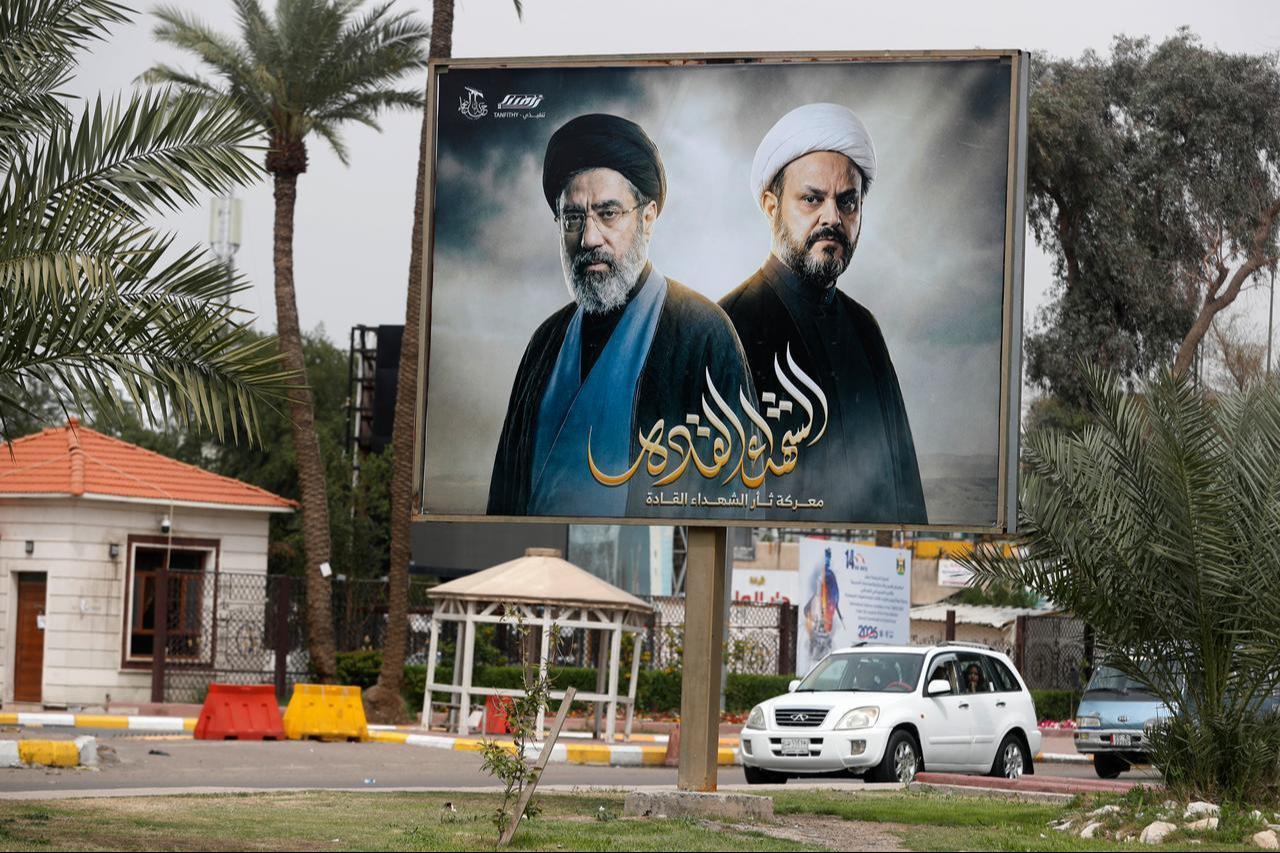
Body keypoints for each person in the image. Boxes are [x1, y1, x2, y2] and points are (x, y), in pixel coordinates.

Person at [487, 113, 754, 518]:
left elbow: (735, 503)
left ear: (647, 219)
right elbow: (504, 500)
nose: (590, 238)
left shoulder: (703, 334)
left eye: (608, 214)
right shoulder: (545, 343)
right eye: (574, 218)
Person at [719, 102, 927, 524]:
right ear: (770, 205)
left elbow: (906, 492)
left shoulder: (865, 329)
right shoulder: (724, 329)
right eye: (812, 199)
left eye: (847, 203)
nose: (832, 217)